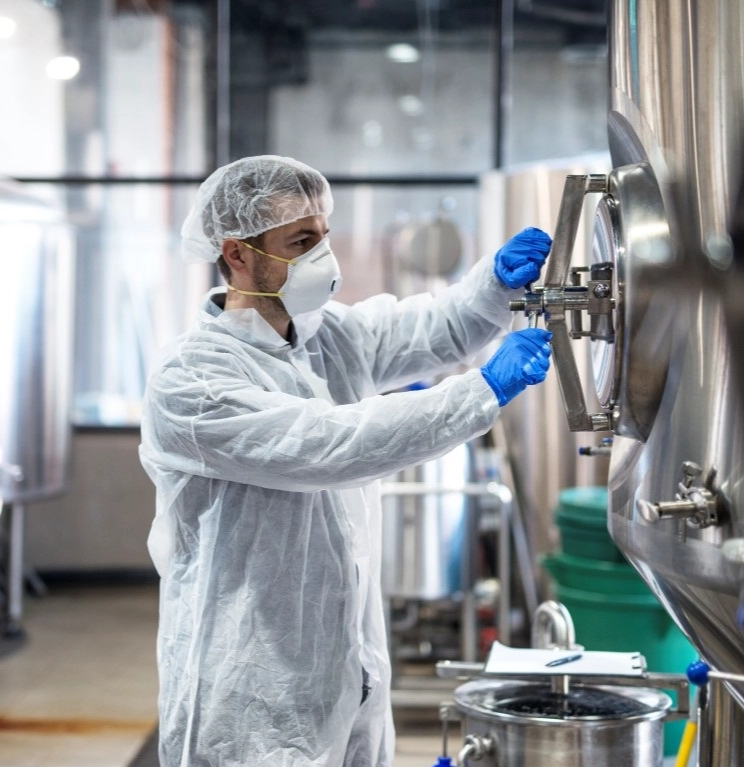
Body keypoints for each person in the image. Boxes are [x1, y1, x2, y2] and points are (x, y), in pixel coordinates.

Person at [140, 155, 554, 767]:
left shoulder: (326, 337)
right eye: (300, 242)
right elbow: (330, 444)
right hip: (250, 682)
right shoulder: (192, 379)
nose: (322, 257)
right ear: (237, 254)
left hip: (347, 664)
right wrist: (480, 390)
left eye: (323, 236)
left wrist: (491, 286)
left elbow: (429, 329)